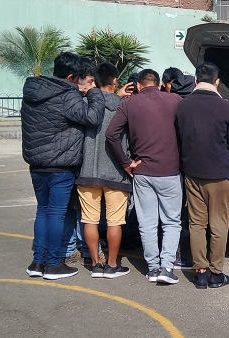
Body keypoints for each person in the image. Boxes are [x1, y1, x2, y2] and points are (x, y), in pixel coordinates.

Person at [22, 52, 104, 280]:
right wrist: (95, 92)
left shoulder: (32, 91)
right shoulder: (67, 95)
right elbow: (92, 117)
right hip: (61, 164)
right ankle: (54, 264)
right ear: (70, 76)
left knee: (43, 211)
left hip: (37, 164)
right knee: (57, 213)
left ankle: (37, 262)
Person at [106, 69, 183, 284]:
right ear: (158, 84)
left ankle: (152, 268)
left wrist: (126, 163)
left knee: (147, 222)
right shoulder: (175, 100)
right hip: (170, 170)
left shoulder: (130, 104)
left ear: (138, 85)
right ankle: (167, 268)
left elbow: (111, 134)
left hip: (142, 171)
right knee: (171, 221)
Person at [176, 62, 229, 289]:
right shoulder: (227, 107)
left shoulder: (182, 106)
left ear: (195, 81)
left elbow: (180, 139)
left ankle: (200, 272)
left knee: (196, 223)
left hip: (192, 172)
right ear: (217, 82)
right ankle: (216, 273)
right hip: (220, 173)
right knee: (219, 224)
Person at [76, 62, 133, 278]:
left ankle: (96, 264)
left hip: (87, 170)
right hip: (116, 172)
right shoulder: (124, 106)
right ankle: (112, 265)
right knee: (115, 221)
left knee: (89, 219)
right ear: (115, 80)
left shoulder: (84, 104)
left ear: (95, 81)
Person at [61, 58, 103, 266]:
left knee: (76, 209)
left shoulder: (64, 99)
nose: (93, 86)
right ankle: (86, 249)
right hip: (76, 163)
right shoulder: (79, 102)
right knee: (81, 211)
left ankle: (73, 248)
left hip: (70, 162)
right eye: (90, 81)